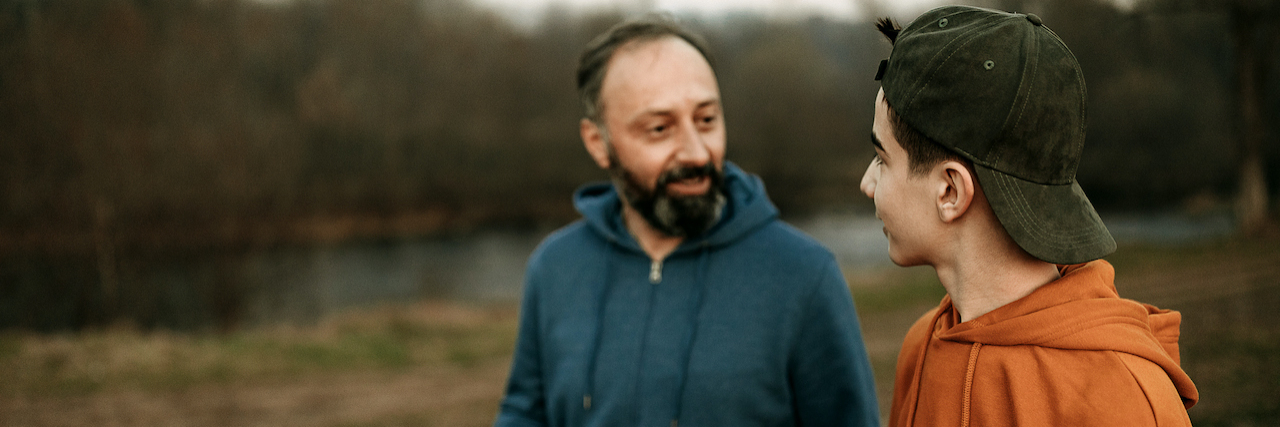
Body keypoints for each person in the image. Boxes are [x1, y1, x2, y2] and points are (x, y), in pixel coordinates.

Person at [494, 15, 880, 427]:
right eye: (660, 128)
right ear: (598, 142)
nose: (696, 153)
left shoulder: (804, 275)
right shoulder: (555, 268)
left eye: (707, 120)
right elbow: (523, 414)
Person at [860, 6, 1199, 426]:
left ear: (950, 190)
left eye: (881, 159)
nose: (866, 183)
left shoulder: (1123, 401)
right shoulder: (921, 348)